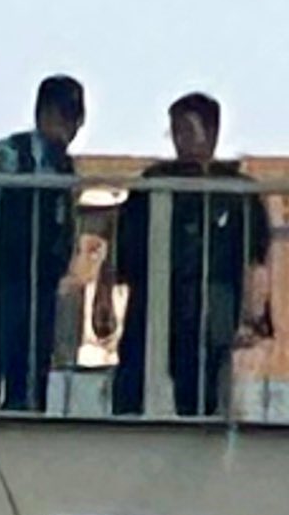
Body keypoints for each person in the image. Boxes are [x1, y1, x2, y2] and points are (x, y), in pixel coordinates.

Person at [111, 92, 272, 419]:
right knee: (132, 383)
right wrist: (107, 289)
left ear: (211, 133)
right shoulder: (153, 182)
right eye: (175, 131)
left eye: (186, 129)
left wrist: (254, 312)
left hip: (211, 302)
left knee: (200, 390)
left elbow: (256, 257)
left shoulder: (237, 190)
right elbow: (125, 245)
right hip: (153, 300)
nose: (179, 140)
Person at [0, 75, 86, 414]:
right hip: (1, 272)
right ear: (42, 114)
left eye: (72, 119)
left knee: (34, 360)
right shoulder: (7, 154)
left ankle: (25, 414)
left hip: (43, 279)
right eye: (60, 116)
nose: (66, 128)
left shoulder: (65, 167)